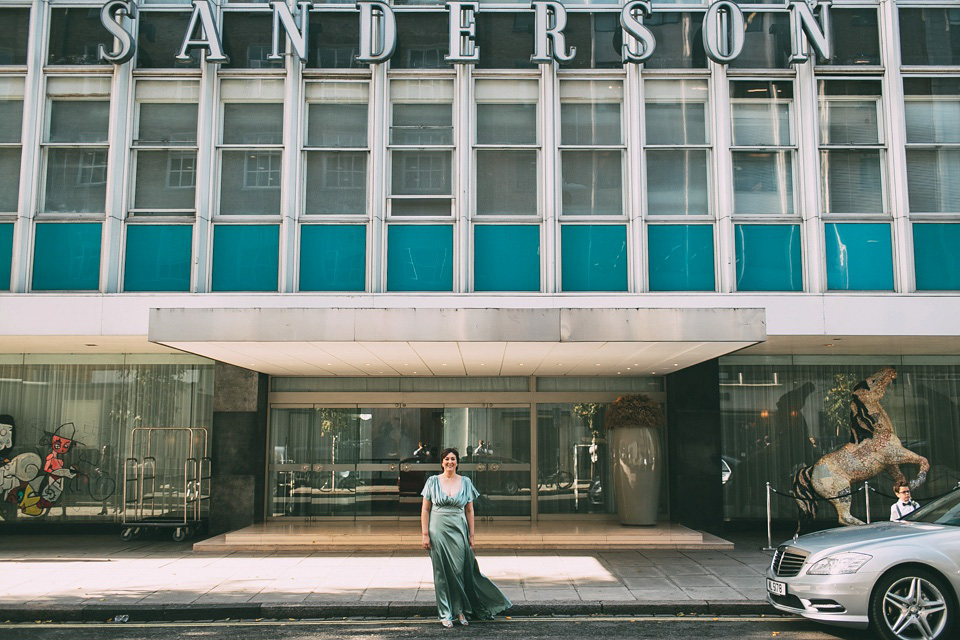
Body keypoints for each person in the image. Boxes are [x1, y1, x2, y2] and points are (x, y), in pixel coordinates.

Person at [420, 447, 511, 628]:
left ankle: (460, 610)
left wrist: (471, 535)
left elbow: (469, 510)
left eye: (453, 459)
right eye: (446, 459)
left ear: (457, 462)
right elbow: (425, 509)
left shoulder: (466, 482)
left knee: (459, 571)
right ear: (442, 462)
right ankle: (445, 613)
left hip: (459, 529)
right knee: (442, 574)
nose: (450, 462)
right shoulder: (432, 481)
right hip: (438, 530)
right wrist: (425, 535)